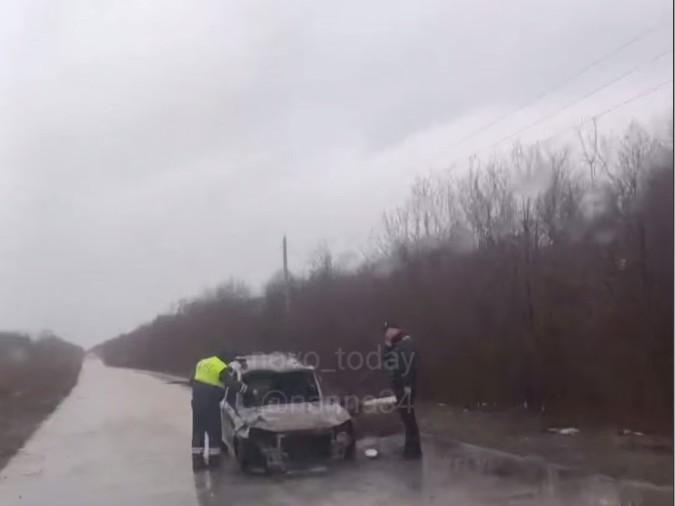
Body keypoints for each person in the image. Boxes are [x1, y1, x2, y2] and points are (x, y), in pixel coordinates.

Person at [191, 350, 251, 471]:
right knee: (214, 431)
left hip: (196, 402)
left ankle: (197, 462)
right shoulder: (220, 366)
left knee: (198, 431)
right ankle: (214, 462)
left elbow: (192, 380)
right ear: (225, 360)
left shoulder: (202, 363)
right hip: (210, 402)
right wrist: (247, 390)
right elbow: (230, 383)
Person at [382, 321, 422, 459]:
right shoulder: (397, 345)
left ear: (395, 330)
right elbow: (387, 363)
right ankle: (410, 448)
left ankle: (414, 450)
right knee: (406, 418)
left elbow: (408, 366)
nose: (386, 333)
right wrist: (387, 346)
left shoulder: (406, 343)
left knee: (409, 418)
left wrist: (407, 385)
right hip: (399, 386)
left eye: (388, 330)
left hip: (405, 388)